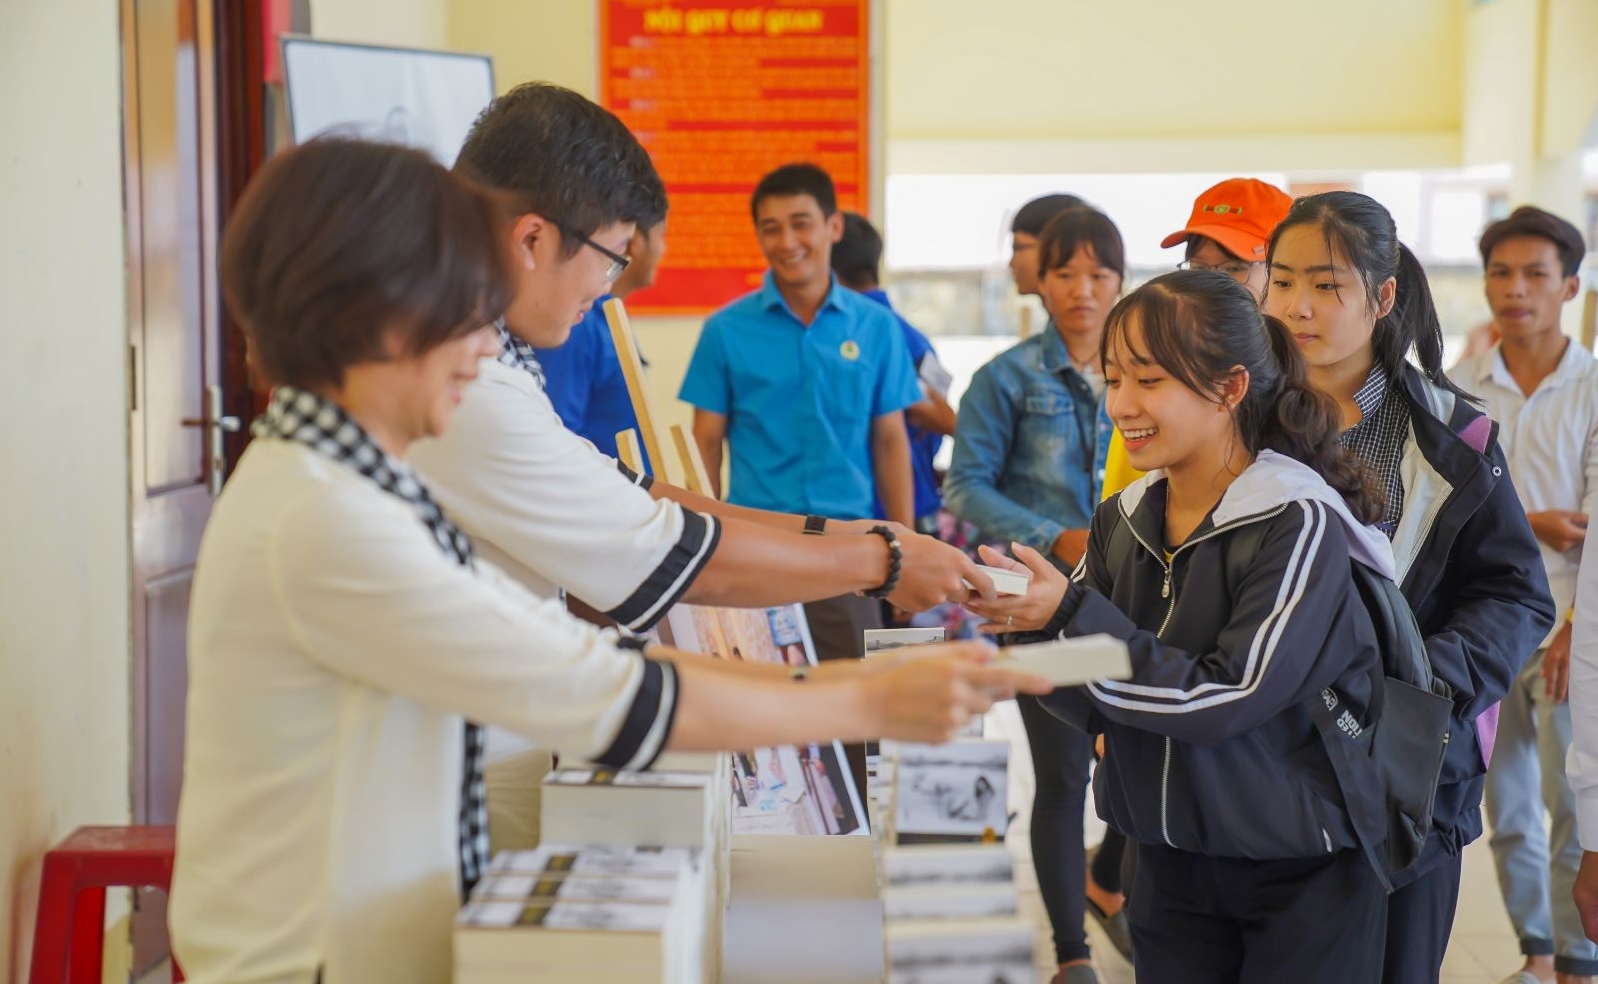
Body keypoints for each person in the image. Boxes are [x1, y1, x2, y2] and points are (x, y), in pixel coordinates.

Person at [168, 137, 1051, 984]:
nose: (485, 347)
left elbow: (580, 627)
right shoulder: (326, 518)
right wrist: (865, 696)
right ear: (379, 317)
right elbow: (599, 686)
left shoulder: (346, 484)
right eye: (465, 311)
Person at [406, 84, 998, 849]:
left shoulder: (494, 366)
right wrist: (879, 563)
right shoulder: (472, 388)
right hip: (449, 783)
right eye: (612, 259)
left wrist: (873, 538)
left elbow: (649, 497)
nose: (610, 288)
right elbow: (675, 547)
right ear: (532, 239)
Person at [969, 269, 1395, 983]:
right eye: (1113, 379)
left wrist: (1066, 615)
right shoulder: (1123, 518)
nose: (1122, 405)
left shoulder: (1296, 520)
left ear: (1230, 389)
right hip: (1166, 858)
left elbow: (1226, 696)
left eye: (1149, 380)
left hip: (1299, 866)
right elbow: (1088, 694)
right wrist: (1025, 629)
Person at [1261, 191, 1555, 984]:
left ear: (1383, 296)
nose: (1296, 306)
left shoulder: (1452, 436)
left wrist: (1421, 684)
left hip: (1407, 779)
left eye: (1326, 285)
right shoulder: (1236, 419)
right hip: (1261, 771)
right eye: (1281, 281)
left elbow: (1515, 594)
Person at [944, 205, 1124, 984]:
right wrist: (1056, 537)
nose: (1082, 290)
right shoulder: (1004, 378)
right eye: (1065, 273)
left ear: (1120, 281)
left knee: (1140, 764)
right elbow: (964, 486)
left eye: (1098, 273)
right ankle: (1072, 955)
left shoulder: (1147, 371)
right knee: (1062, 778)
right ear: (1039, 282)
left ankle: (1109, 883)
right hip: (1036, 604)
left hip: (1130, 603)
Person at [679, 162, 922, 659]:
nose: (787, 241)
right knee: (757, 691)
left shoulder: (877, 327)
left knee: (857, 691)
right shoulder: (725, 330)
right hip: (753, 549)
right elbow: (705, 441)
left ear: (833, 226)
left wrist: (908, 551)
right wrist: (701, 546)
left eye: (801, 223)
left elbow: (890, 441)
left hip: (849, 550)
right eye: (771, 228)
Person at [1457, 206, 1597, 984]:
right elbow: (1450, 510)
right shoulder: (1457, 390)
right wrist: (1536, 519)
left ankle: (1578, 960)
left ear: (1569, 286)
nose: (1515, 289)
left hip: (1571, 631)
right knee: (1505, 806)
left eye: (1535, 274)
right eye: (1500, 273)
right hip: (1486, 630)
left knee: (1575, 805)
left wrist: (1578, 624)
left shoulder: (1594, 386)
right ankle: (1537, 956)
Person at [1098, 179, 1296, 503]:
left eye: (1235, 267)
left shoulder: (1317, 398)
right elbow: (1118, 517)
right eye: (1198, 267)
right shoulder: (1141, 406)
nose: (1210, 283)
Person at [832, 210, 956, 533]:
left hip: (880, 519)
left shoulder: (859, 332)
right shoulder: (914, 336)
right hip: (915, 508)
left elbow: (930, 412)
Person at [532, 215, 666, 464]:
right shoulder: (579, 322)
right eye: (661, 236)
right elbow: (559, 433)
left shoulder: (610, 315)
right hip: (594, 486)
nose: (662, 250)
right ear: (635, 239)